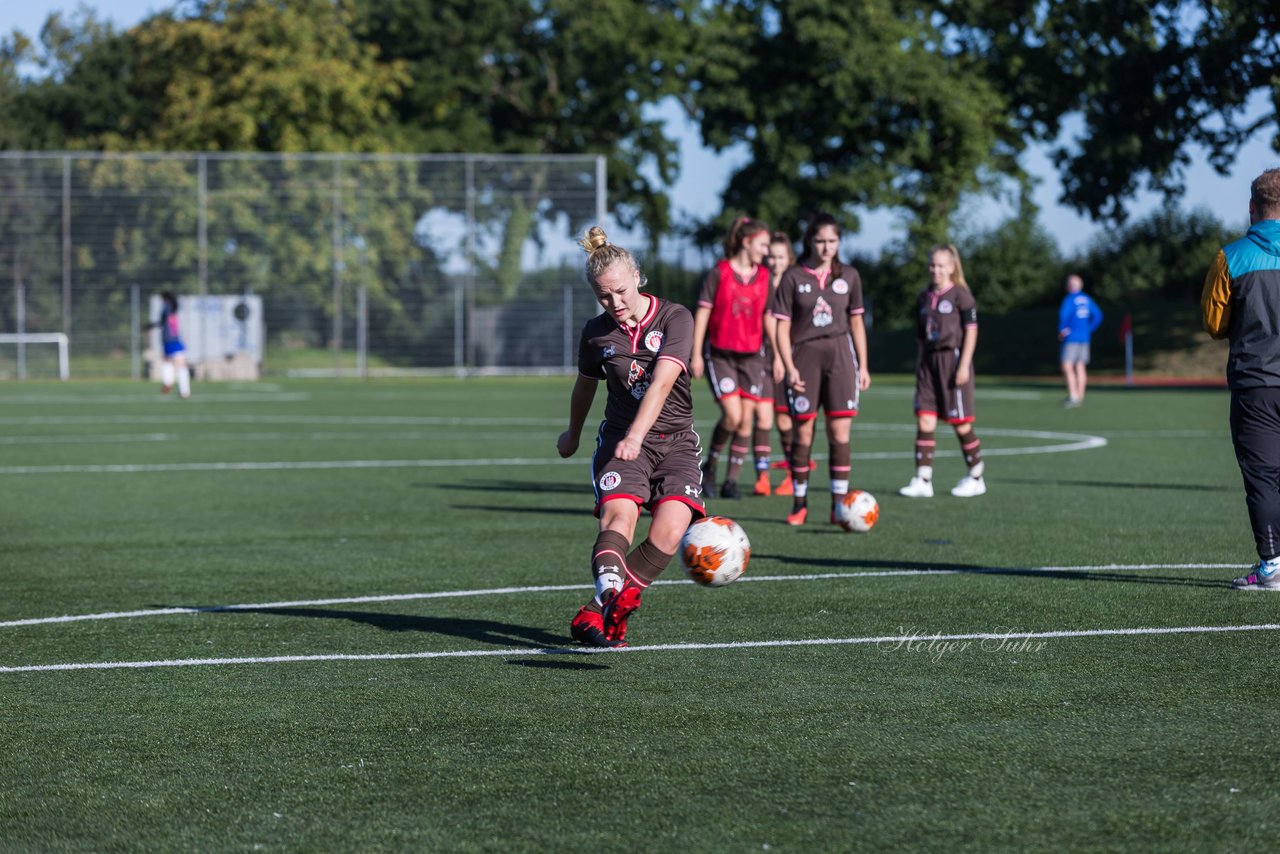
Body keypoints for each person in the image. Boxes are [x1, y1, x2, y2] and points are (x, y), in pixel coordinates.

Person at [558, 226, 706, 646]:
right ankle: (609, 593)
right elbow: (585, 385)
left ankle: (599, 607)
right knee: (618, 519)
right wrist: (573, 434)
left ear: (637, 276)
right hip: (621, 441)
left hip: (675, 441)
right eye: (604, 296)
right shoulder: (596, 333)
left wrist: (639, 435)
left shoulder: (675, 317)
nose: (615, 303)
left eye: (621, 291)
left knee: (670, 529)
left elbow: (662, 382)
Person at [1200, 167, 1280, 591]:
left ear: (1253, 207)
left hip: (1257, 384)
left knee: (1264, 478)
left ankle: (1271, 567)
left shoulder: (1231, 257)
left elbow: (1215, 323)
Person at [770, 212, 871, 526]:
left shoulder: (850, 276)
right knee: (803, 432)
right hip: (804, 358)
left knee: (839, 433)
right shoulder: (792, 277)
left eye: (832, 241)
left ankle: (838, 505)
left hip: (841, 357)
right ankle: (799, 502)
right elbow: (781, 328)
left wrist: (864, 365)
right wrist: (789, 366)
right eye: (820, 240)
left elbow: (857, 322)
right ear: (809, 241)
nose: (827, 247)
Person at [692, 217, 775, 499]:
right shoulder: (721, 272)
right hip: (721, 355)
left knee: (746, 422)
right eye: (763, 245)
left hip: (753, 357)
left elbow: (768, 317)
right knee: (733, 416)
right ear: (746, 241)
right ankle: (710, 467)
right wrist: (695, 354)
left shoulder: (764, 277)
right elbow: (703, 312)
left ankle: (730, 482)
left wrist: (778, 357)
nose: (766, 251)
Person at [898, 244, 987, 498]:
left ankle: (976, 475)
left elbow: (971, 331)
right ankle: (923, 480)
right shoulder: (924, 297)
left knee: (960, 423)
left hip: (953, 360)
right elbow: (919, 335)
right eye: (932, 265)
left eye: (940, 265)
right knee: (925, 418)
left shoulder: (961, 296)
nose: (935, 270)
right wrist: (920, 365)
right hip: (928, 361)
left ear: (951, 267)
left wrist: (964, 364)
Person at [764, 231, 797, 496]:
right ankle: (762, 476)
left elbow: (777, 323)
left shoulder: (794, 282)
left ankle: (792, 473)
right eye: (771, 257)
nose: (775, 262)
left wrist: (779, 356)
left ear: (789, 258)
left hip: (787, 357)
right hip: (760, 357)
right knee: (763, 417)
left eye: (780, 257)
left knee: (785, 418)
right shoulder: (762, 282)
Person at [1058, 273, 1103, 407]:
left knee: (1067, 365)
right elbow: (1098, 316)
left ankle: (1073, 396)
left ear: (1070, 286)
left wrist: (1062, 329)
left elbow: (1063, 316)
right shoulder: (1087, 299)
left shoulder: (1069, 299)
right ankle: (1080, 395)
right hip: (1084, 337)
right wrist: (1089, 329)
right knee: (1080, 366)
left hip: (1071, 337)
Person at [144, 291, 191, 399]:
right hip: (175, 338)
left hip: (169, 339)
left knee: (170, 361)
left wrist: (151, 326)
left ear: (165, 299)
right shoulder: (173, 307)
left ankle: (169, 382)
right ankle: (183, 390)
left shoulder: (167, 307)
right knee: (180, 364)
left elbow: (162, 321)